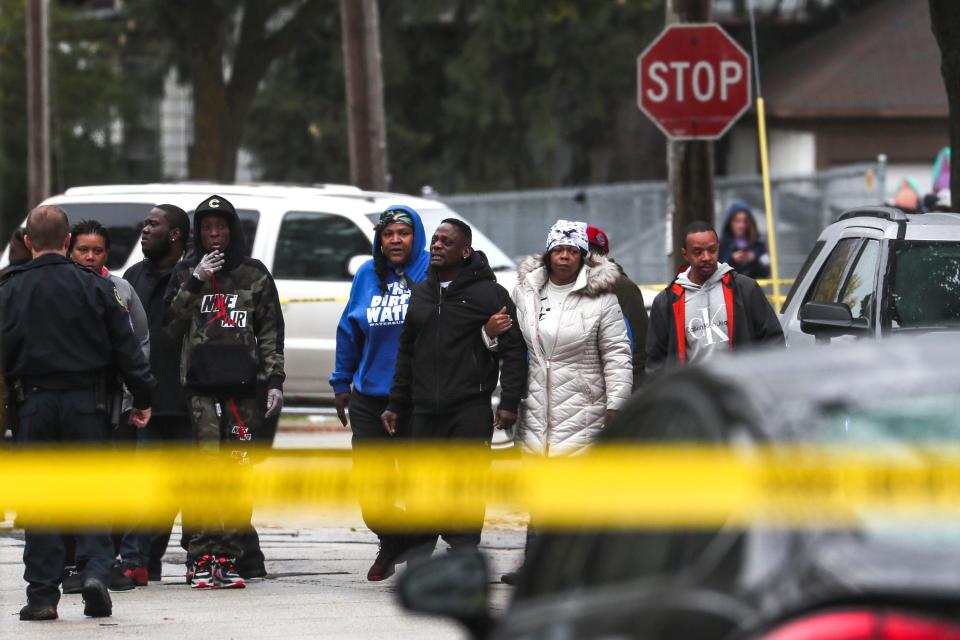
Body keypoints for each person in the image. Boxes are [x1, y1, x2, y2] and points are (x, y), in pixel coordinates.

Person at [1, 205, 154, 621]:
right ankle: (96, 575)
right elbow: (128, 349)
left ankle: (43, 596)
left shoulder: (7, 288)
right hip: (89, 405)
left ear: (29, 242)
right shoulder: (97, 288)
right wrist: (142, 399)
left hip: (33, 404)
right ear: (67, 241)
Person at [498, 220, 632, 585]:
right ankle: (534, 566)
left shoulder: (602, 297)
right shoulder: (526, 290)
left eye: (573, 251)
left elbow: (618, 355)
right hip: (536, 402)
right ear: (548, 252)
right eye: (559, 249)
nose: (565, 257)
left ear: (583, 256)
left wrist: (616, 404)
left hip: (584, 404)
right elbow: (511, 344)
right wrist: (490, 337)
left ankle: (578, 568)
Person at [381, 219, 527, 554]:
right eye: (434, 240)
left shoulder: (489, 294)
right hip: (423, 409)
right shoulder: (421, 292)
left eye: (446, 242)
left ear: (465, 252)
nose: (436, 246)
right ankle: (420, 556)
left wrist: (508, 402)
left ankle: (463, 555)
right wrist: (395, 402)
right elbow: (407, 350)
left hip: (469, 407)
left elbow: (514, 350)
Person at [164, 194, 284, 590]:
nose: (214, 234)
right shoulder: (185, 271)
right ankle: (200, 557)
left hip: (244, 393)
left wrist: (274, 382)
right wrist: (196, 279)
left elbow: (270, 331)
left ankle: (229, 558)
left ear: (232, 230)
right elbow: (169, 326)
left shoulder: (253, 274)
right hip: (200, 391)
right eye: (207, 228)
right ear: (198, 233)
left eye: (221, 226)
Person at [330, 205, 431, 581]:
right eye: (387, 234)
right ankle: (395, 540)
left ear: (416, 236)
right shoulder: (367, 275)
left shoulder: (432, 273)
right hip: (370, 397)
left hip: (417, 398)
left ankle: (417, 554)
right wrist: (341, 382)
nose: (394, 240)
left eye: (403, 233)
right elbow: (349, 330)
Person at [63, 219, 151, 594]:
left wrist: (136, 397)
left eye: (97, 250)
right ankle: (71, 563)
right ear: (69, 248)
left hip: (114, 404)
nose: (89, 256)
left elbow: (140, 343)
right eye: (83, 249)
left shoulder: (121, 290)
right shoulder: (60, 287)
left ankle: (107, 561)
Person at [122, 204, 193, 584]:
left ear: (175, 234)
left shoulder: (192, 276)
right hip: (144, 400)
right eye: (145, 224)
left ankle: (152, 558)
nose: (144, 229)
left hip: (185, 400)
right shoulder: (133, 276)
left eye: (153, 224)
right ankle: (135, 559)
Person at [646, 221, 784, 374]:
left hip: (743, 391)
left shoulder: (746, 289)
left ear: (718, 248)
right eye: (697, 252)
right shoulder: (666, 302)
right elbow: (655, 363)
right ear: (685, 254)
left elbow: (773, 342)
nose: (706, 257)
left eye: (711, 250)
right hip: (695, 394)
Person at [586, 224, 649, 390]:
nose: (590, 257)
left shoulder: (623, 288)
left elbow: (639, 347)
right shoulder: (563, 287)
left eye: (594, 251)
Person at [718, 202, 771, 279]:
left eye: (745, 221)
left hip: (754, 289)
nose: (741, 225)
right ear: (730, 223)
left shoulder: (758, 244)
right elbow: (717, 273)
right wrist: (732, 259)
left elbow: (767, 273)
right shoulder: (722, 245)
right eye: (737, 221)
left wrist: (754, 258)